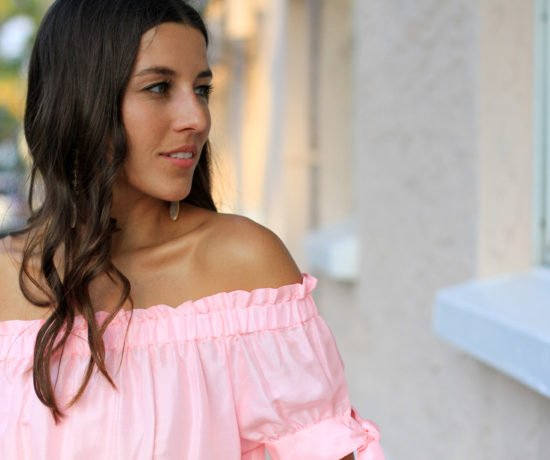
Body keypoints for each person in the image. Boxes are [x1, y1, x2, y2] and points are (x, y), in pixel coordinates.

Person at [0, 1, 385, 459]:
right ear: (80, 98)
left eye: (202, 89)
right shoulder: (6, 278)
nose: (197, 119)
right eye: (160, 87)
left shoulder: (242, 269)